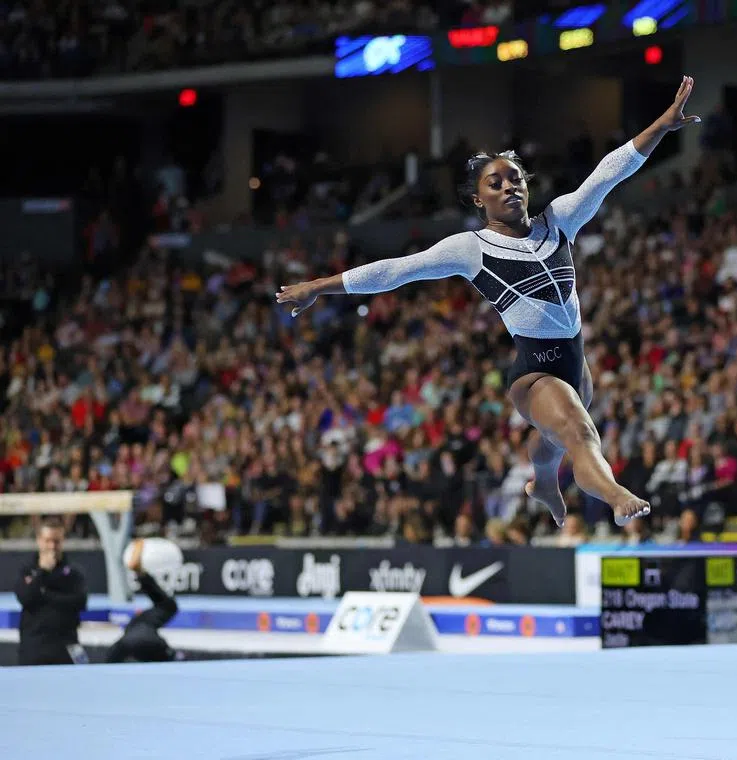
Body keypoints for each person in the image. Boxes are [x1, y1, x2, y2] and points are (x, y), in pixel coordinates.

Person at [278, 77, 702, 529]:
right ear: (479, 199)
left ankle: (543, 482)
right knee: (578, 432)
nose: (508, 188)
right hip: (535, 373)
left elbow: (608, 173)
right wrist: (319, 286)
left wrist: (660, 125)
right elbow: (395, 270)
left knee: (554, 438)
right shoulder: (470, 249)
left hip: (577, 366)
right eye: (495, 183)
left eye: (515, 179)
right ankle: (615, 495)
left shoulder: (559, 221)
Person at [15, 518, 89, 666]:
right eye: (48, 540)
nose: (52, 546)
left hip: (66, 645)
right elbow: (25, 597)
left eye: (57, 541)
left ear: (63, 541)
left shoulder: (74, 571)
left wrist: (44, 594)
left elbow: (80, 602)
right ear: (39, 541)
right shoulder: (27, 570)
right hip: (34, 646)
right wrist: (42, 572)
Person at [105, 540, 180, 664]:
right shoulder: (155, 614)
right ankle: (140, 573)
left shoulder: (142, 620)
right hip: (148, 639)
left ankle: (140, 573)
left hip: (126, 642)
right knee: (168, 605)